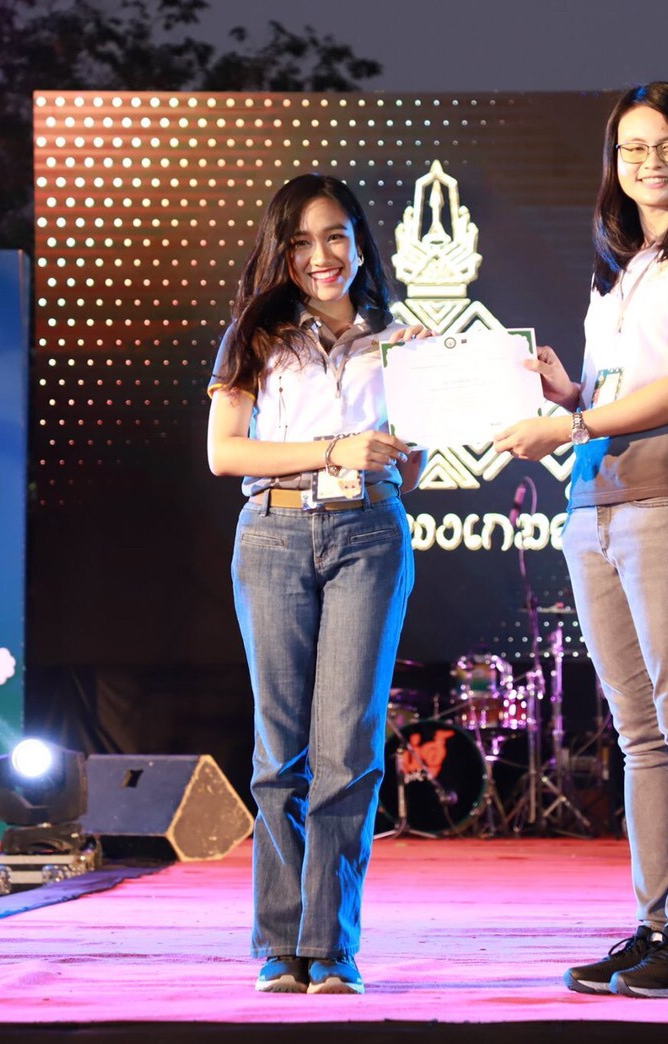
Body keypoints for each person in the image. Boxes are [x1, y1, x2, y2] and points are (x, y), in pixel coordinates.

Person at [494, 82, 668, 999]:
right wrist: (572, 396)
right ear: (615, 161)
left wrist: (570, 425)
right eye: (633, 147)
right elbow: (623, 388)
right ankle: (652, 927)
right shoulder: (622, 264)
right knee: (639, 736)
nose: (651, 162)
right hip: (594, 505)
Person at [206, 173, 427, 996]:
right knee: (279, 752)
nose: (320, 256)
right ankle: (278, 943)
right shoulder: (255, 334)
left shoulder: (400, 338)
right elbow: (225, 452)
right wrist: (337, 448)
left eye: (335, 236)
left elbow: (415, 465)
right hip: (274, 531)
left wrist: (431, 402)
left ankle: (331, 945)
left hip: (369, 531)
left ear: (361, 242)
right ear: (281, 252)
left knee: (349, 750)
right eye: (300, 242)